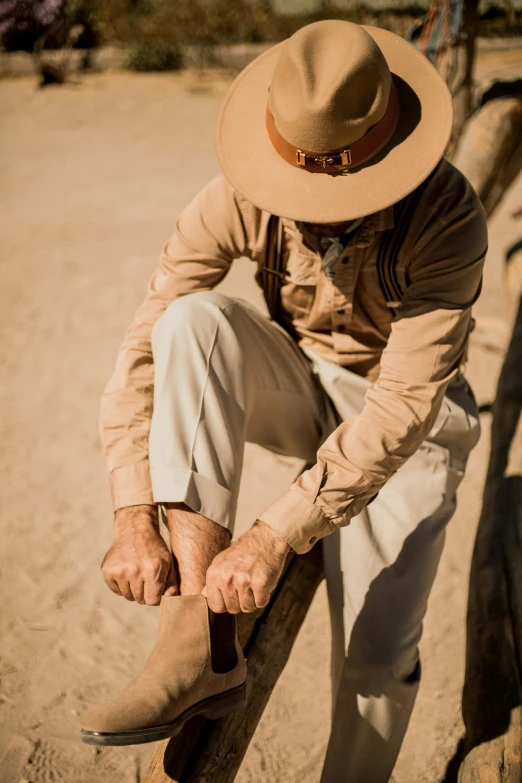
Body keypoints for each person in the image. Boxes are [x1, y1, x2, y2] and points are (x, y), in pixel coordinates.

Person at [81, 19, 487, 783]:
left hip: (411, 420)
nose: (306, 204)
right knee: (191, 322)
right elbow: (144, 341)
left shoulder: (448, 217)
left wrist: (272, 537)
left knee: (377, 654)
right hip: (301, 381)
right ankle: (199, 637)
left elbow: (401, 409)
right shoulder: (238, 192)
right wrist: (133, 513)